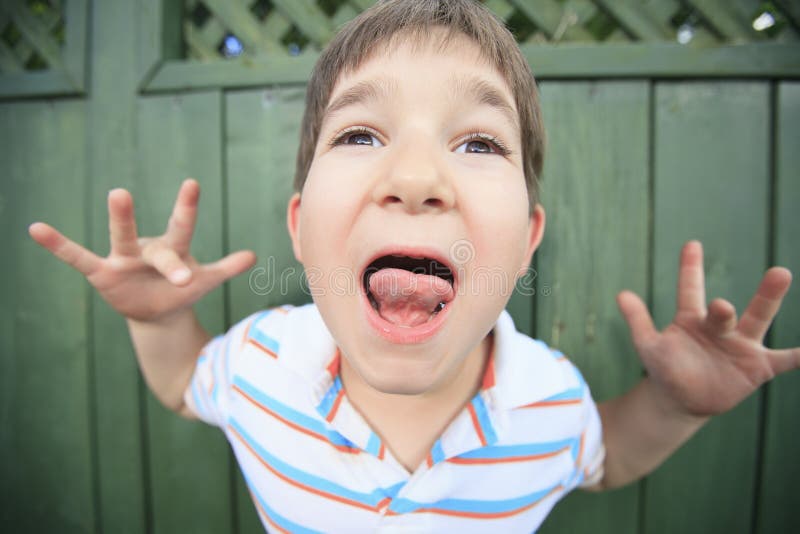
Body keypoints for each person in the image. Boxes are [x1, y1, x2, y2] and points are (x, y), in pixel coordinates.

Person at [28, 0, 797, 532]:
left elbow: (608, 460)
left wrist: (674, 408)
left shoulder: (550, 401)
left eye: (480, 143)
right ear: (301, 226)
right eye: (361, 134)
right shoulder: (261, 364)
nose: (418, 178)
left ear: (528, 242)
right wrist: (159, 317)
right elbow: (177, 382)